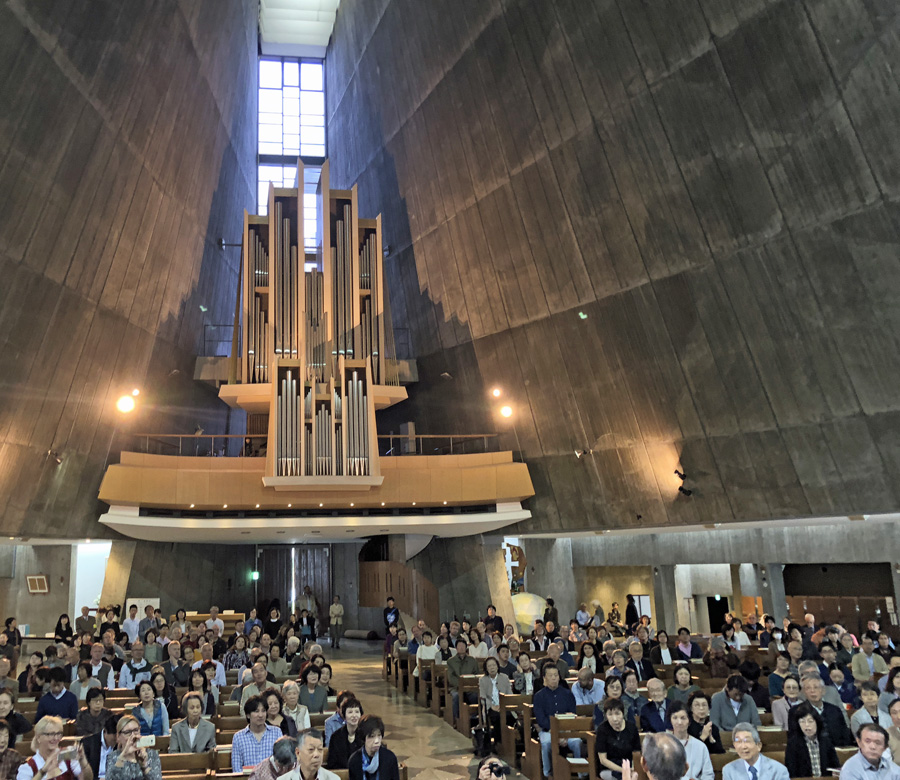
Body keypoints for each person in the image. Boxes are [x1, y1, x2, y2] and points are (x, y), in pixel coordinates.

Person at [534, 664, 580, 778]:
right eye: (550, 675)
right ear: (545, 678)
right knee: (546, 744)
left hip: (567, 731)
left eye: (556, 675)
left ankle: (581, 772)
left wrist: (566, 733)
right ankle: (547, 773)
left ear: (559, 677)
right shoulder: (539, 696)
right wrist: (556, 734)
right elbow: (541, 720)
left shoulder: (568, 694)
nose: (554, 678)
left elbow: (573, 715)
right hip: (548, 731)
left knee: (577, 742)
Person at [17, 715, 94, 780]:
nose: (55, 738)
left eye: (58, 734)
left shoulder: (67, 756)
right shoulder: (28, 767)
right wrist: (44, 771)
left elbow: (87, 779)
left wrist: (82, 760)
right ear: (38, 737)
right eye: (50, 734)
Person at [784, 702, 840, 779]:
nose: (806, 725)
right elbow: (792, 772)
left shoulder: (826, 742)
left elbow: (835, 766)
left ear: (817, 722)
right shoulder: (793, 744)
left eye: (810, 721)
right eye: (802, 722)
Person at [231, 695, 282, 773]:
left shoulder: (276, 732)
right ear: (248, 715)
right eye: (256, 711)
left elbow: (282, 763)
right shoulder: (238, 737)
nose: (260, 715)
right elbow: (237, 769)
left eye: (263, 711)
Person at [722, 722, 789, 780]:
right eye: (738, 742)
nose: (743, 747)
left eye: (747, 741)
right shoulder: (729, 770)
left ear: (758, 746)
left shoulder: (778, 770)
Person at [800, 675, 853, 746]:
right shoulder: (797, 712)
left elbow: (845, 735)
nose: (812, 691)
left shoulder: (835, 710)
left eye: (816, 687)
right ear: (804, 692)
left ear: (823, 691)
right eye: (808, 688)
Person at [104, 714, 161, 780]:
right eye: (127, 732)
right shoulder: (112, 757)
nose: (133, 736)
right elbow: (110, 778)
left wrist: (144, 766)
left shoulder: (152, 754)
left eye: (136, 730)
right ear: (118, 737)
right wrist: (123, 755)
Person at [596, 698, 640, 780]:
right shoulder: (602, 729)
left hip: (630, 766)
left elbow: (637, 752)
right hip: (609, 769)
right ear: (606, 715)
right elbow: (603, 760)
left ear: (623, 713)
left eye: (617, 714)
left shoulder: (632, 728)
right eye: (610, 714)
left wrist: (632, 769)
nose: (614, 719)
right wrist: (624, 771)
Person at [667, 701, 713, 780]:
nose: (679, 722)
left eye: (683, 718)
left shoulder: (700, 746)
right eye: (675, 718)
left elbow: (708, 775)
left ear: (689, 721)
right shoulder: (663, 745)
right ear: (670, 720)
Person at [347, 716, 399, 780]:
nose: (376, 741)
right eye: (372, 736)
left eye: (379, 735)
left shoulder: (389, 757)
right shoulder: (355, 760)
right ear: (364, 738)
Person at [324, 698, 362, 770]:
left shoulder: (365, 735)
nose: (354, 715)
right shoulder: (336, 737)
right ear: (344, 715)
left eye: (357, 712)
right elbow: (332, 764)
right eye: (350, 712)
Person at [82, 714, 119, 780]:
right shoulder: (87, 743)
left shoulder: (121, 745)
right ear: (105, 731)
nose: (117, 739)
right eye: (114, 737)